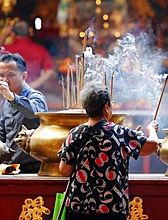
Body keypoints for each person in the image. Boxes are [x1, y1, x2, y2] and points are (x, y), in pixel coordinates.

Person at [58, 82, 159, 220]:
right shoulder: (119, 132)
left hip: (79, 208)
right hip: (112, 208)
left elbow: (64, 169)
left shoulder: (75, 134)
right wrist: (151, 129)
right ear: (106, 107)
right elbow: (152, 146)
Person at [0, 52, 48, 173]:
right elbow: (3, 135)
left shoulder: (35, 96)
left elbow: (34, 113)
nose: (5, 80)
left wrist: (13, 97)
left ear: (24, 76)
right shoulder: (6, 101)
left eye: (10, 75)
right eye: (1, 75)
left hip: (33, 169)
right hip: (10, 168)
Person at [0, 20, 55, 90]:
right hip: (34, 94)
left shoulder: (6, 50)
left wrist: (4, 36)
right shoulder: (40, 49)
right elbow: (49, 71)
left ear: (12, 33)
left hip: (10, 93)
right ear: (30, 32)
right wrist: (32, 85)